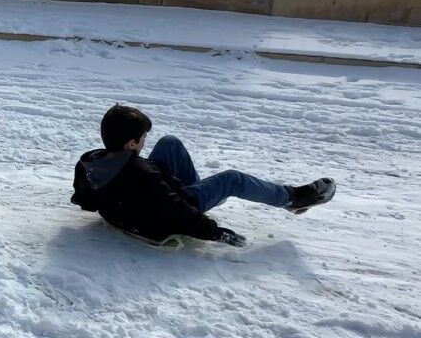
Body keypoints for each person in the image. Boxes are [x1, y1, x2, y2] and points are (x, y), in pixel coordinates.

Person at [70, 105, 334, 246]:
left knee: (169, 142)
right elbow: (174, 210)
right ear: (130, 144)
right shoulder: (143, 176)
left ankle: (197, 187)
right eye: (142, 138)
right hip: (180, 204)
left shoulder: (90, 161)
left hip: (140, 195)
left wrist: (110, 207)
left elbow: (84, 197)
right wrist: (214, 232)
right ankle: (293, 199)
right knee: (232, 178)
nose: (144, 141)